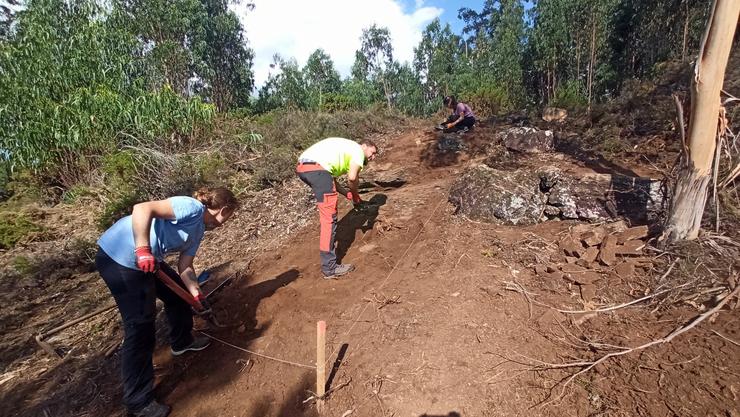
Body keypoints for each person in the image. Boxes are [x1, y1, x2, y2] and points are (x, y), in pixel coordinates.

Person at [95, 187, 239, 417]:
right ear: (224, 210)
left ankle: (181, 342)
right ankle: (138, 402)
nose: (227, 221)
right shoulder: (190, 207)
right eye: (229, 216)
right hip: (120, 258)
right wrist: (142, 250)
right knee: (140, 327)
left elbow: (186, 267)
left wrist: (197, 296)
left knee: (178, 296)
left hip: (149, 260)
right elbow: (143, 208)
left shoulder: (199, 229)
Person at [296, 137, 378, 279]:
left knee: (328, 215)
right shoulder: (358, 150)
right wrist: (356, 196)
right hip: (317, 169)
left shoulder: (343, 150)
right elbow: (352, 178)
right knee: (329, 219)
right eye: (373, 152)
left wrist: (348, 194)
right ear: (365, 146)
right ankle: (330, 268)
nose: (373, 157)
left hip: (304, 167)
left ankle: (329, 263)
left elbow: (330, 180)